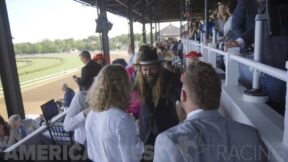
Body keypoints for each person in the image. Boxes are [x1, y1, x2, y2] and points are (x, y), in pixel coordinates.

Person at [153, 62, 267, 162]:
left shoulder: (169, 140)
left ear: (183, 96)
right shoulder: (250, 135)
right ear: (218, 96)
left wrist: (182, 124)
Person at [85, 65, 143, 162]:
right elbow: (131, 159)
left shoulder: (91, 114)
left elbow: (92, 154)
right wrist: (137, 135)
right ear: (123, 88)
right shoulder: (123, 120)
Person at [134, 46, 181, 161]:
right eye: (144, 69)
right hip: (146, 134)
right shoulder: (139, 81)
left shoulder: (173, 79)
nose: (148, 72)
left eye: (151, 68)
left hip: (168, 133)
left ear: (159, 67)